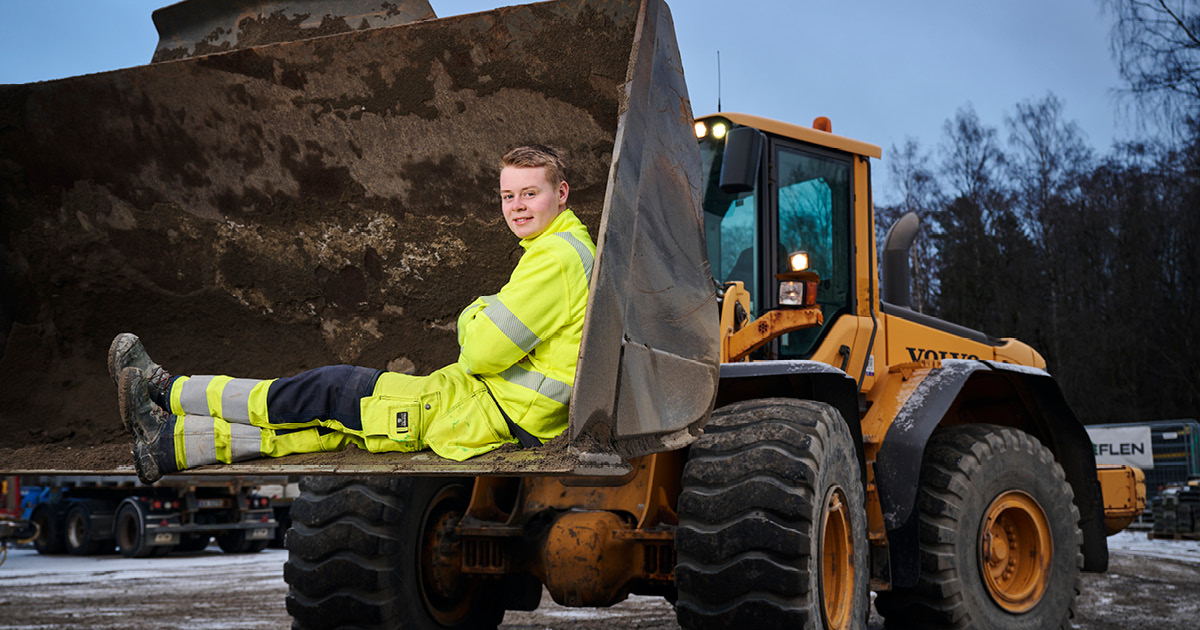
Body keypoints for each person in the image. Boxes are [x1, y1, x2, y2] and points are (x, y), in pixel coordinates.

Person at [111, 145, 595, 484]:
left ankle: (165, 390)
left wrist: (476, 311)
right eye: (508, 196)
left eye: (529, 194)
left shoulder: (555, 259)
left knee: (327, 390)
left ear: (563, 193)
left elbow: (483, 351)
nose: (516, 207)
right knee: (317, 428)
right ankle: (167, 443)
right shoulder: (565, 247)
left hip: (479, 413)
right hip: (490, 409)